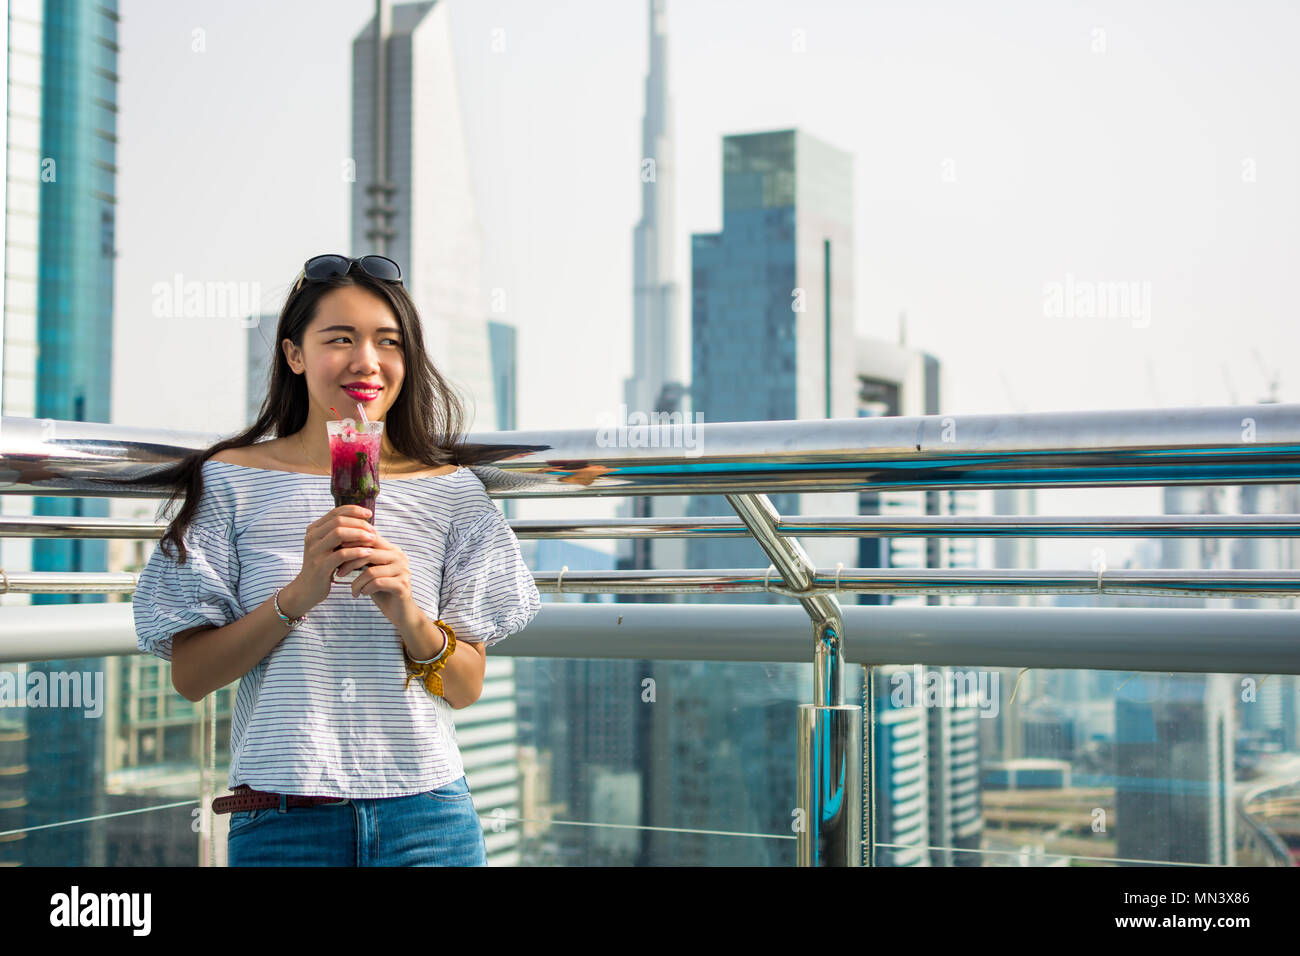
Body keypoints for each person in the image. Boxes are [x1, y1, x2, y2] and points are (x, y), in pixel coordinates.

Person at [129, 254, 541, 866]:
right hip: (282, 817)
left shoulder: (450, 490)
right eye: (339, 339)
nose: (367, 362)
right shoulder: (232, 481)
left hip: (428, 814)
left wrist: (407, 612)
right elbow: (192, 678)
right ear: (295, 355)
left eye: (388, 342)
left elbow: (465, 688)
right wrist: (296, 596)